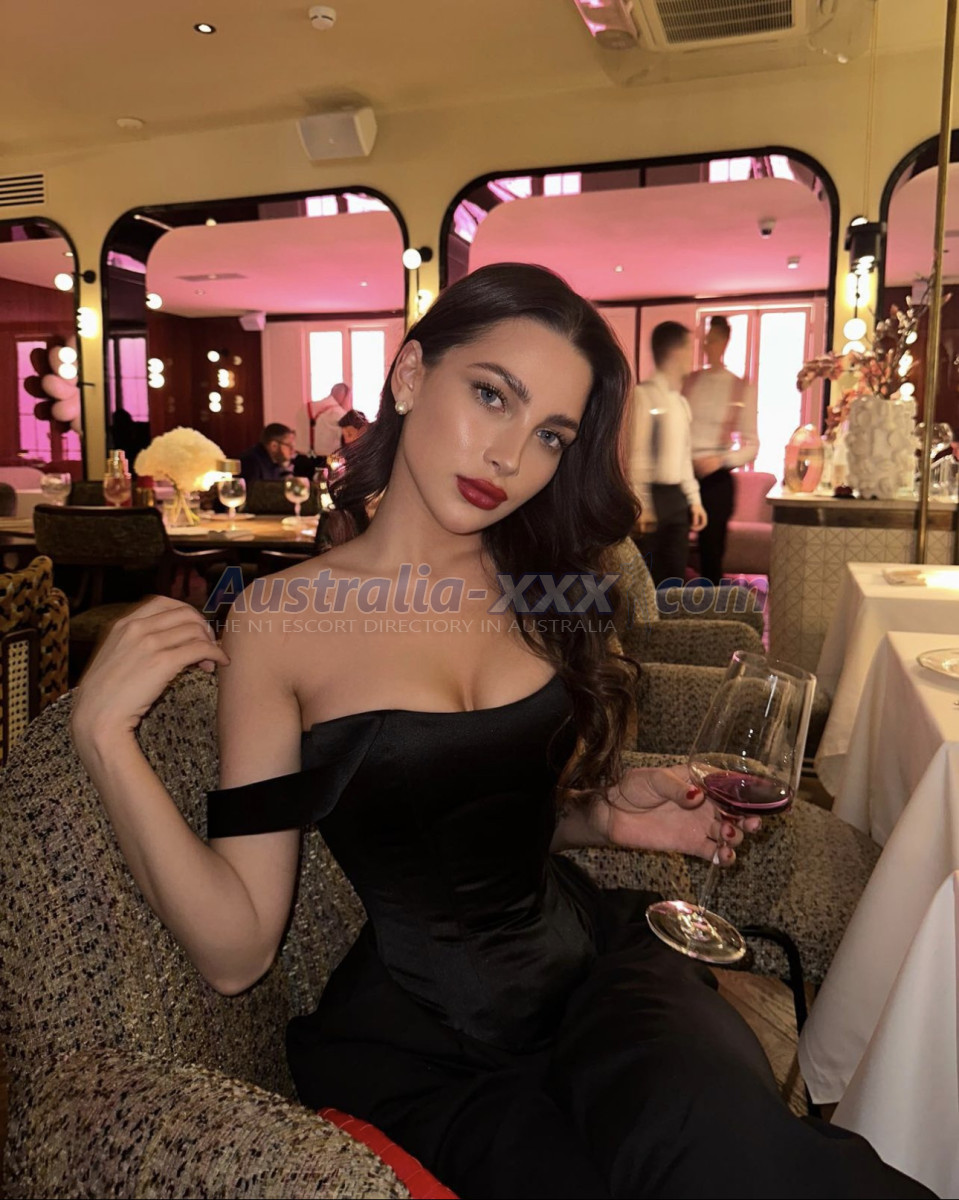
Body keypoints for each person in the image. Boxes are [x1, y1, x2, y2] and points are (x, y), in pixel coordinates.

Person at [70, 264, 929, 1200]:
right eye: (492, 395)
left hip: (597, 973)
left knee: (732, 1154)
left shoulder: (547, 591)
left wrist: (605, 815)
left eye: (550, 434)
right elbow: (237, 951)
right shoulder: (282, 622)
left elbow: (480, 809)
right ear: (409, 376)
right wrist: (104, 737)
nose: (510, 457)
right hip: (431, 1047)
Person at [629, 322, 707, 587]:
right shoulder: (643, 396)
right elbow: (636, 456)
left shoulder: (680, 402)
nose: (691, 356)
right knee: (646, 580)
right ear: (675, 352)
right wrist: (642, 505)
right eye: (689, 348)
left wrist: (694, 500)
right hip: (653, 496)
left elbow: (684, 458)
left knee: (674, 576)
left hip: (676, 499)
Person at [684, 316, 760, 585]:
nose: (708, 345)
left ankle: (709, 604)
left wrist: (721, 460)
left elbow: (752, 445)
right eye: (706, 340)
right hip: (681, 474)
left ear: (726, 342)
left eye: (714, 340)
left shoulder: (740, 387)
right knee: (671, 549)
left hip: (716, 480)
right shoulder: (688, 381)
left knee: (711, 553)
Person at [307, 382, 351, 456]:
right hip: (332, 456)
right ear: (344, 396)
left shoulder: (311, 407)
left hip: (311, 455)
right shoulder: (340, 413)